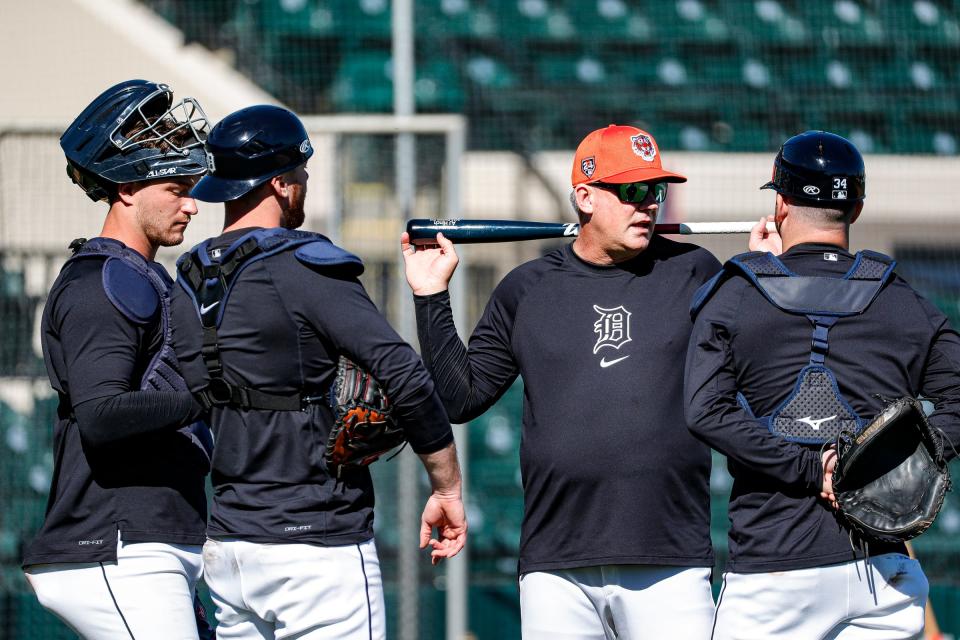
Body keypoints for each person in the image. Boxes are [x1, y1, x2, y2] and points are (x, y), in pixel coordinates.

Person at [401, 124, 722, 639]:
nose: (647, 206)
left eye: (655, 191)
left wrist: (766, 270)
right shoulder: (526, 289)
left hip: (669, 558)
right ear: (584, 197)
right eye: (632, 191)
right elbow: (461, 398)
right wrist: (431, 295)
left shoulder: (695, 271)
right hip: (556, 564)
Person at [169, 104, 466, 639]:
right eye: (301, 174)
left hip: (230, 548)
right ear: (280, 184)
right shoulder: (303, 264)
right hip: (315, 548)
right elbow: (404, 373)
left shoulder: (187, 278)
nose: (304, 184)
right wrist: (446, 488)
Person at [685, 130, 960, 639]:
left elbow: (706, 411)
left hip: (776, 571)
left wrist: (813, 469)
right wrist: (896, 460)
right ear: (855, 208)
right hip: (886, 578)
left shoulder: (737, 294)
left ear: (781, 204)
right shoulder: (901, 300)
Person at [22, 79, 215, 639]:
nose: (192, 203)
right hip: (115, 546)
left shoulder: (144, 276)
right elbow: (102, 415)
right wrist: (213, 394)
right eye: (177, 187)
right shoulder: (100, 282)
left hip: (149, 545)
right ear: (127, 188)